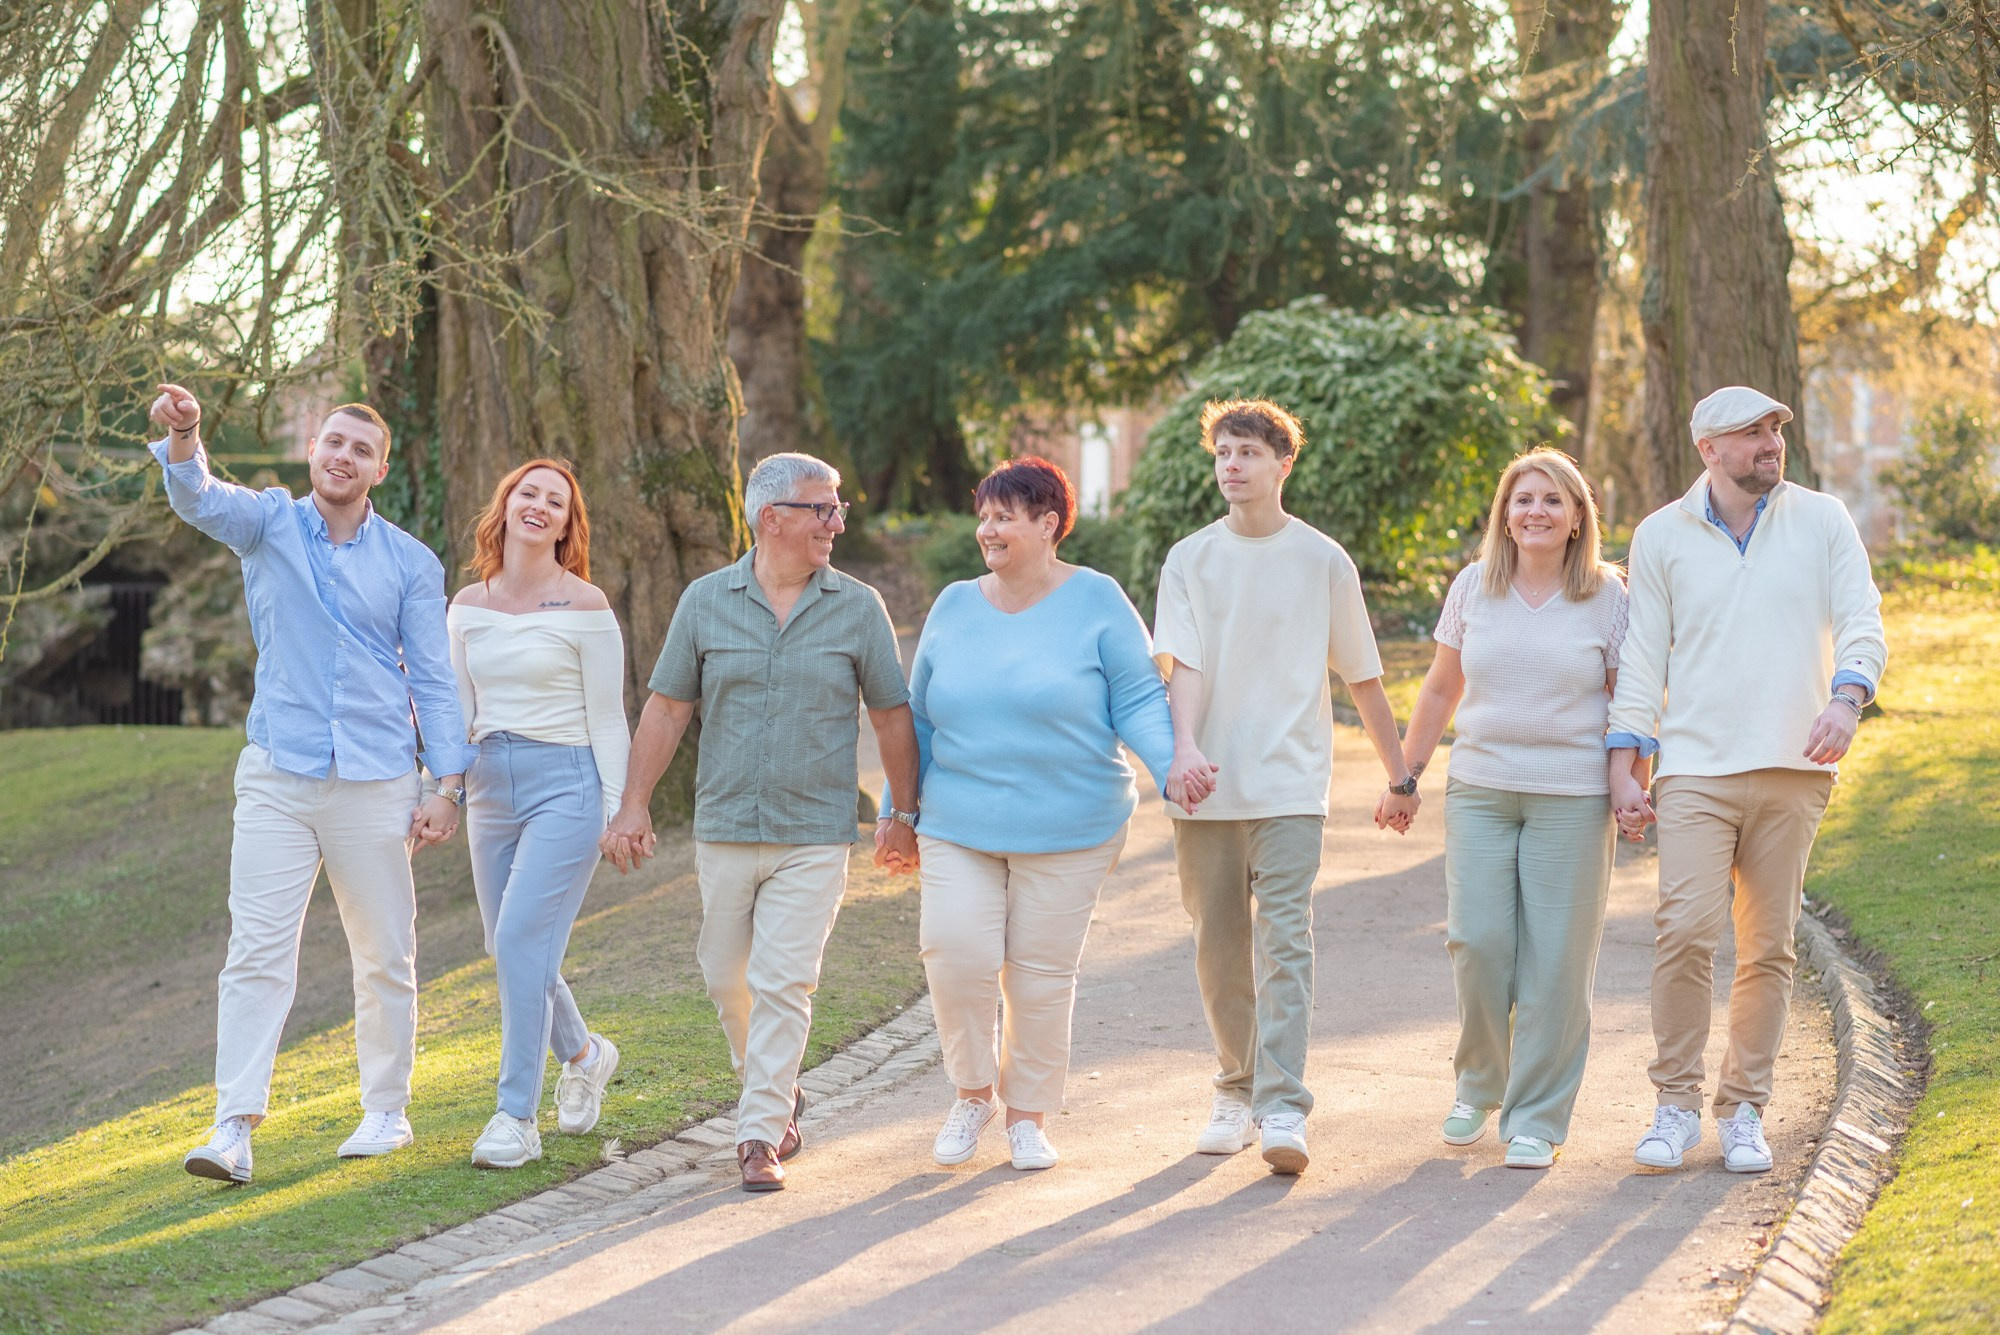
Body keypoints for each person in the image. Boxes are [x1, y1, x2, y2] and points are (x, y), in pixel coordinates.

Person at [147, 383, 475, 1185]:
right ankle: (232, 1128)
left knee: (384, 951)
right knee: (257, 950)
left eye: (360, 449)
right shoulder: (268, 522)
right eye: (333, 442)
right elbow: (200, 499)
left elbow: (434, 679)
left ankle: (386, 1110)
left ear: (380, 469)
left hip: (377, 781)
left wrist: (448, 785)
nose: (342, 456)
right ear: (313, 451)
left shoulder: (411, 562)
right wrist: (187, 437)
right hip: (278, 775)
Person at [601, 452, 921, 1193]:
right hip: (724, 827)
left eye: (839, 509)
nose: (838, 522)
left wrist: (901, 813)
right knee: (725, 976)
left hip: (814, 830)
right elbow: (668, 706)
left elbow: (892, 713)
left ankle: (758, 1132)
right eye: (824, 509)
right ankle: (778, 1088)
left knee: (784, 981)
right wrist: (634, 801)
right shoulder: (706, 601)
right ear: (771, 517)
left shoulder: (858, 606)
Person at [1610, 385, 1887, 1174]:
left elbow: (1862, 618)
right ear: (1709, 450)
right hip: (1695, 766)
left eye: (1775, 428)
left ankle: (1743, 1109)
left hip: (1797, 768)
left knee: (1768, 947)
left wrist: (1847, 695)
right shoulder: (1660, 535)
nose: (1771, 441)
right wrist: (1627, 766)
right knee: (1686, 930)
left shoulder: (1823, 519)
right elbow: (1642, 656)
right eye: (1752, 432)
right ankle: (1674, 1104)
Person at [883, 457, 1178, 1173]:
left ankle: (1028, 1115)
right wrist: (899, 808)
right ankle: (974, 1093)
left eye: (1003, 516)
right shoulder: (954, 604)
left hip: (1071, 823)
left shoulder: (1099, 600)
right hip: (958, 817)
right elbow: (917, 717)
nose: (987, 529)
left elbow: (1139, 698)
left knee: (1041, 972)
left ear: (1048, 524)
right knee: (955, 953)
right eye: (984, 515)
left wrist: (1174, 770)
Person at [1153, 398, 1419, 1176]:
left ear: (1282, 464)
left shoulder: (1322, 560)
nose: (1231, 466)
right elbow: (1186, 666)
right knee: (1219, 944)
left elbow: (1364, 677)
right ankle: (1235, 1089)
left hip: (1292, 783)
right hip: (1206, 785)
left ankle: (1281, 1105)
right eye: (1222, 453)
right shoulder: (1190, 558)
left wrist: (1399, 775)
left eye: (1246, 453)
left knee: (1286, 940)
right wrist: (1186, 747)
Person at [1399, 447, 1636, 1170]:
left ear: (1576, 518)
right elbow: (1441, 689)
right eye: (1522, 497)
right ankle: (1480, 1082)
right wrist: (1404, 777)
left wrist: (1630, 781)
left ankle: (1536, 1115)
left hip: (1573, 794)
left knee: (1557, 962)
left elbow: (1630, 699)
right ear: (1505, 512)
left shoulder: (1608, 596)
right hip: (1481, 787)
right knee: (1478, 941)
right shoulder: (1475, 586)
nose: (1535, 510)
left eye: (1552, 500)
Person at [449, 460, 630, 1168]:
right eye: (529, 492)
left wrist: (618, 812)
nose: (541, 505)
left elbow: (609, 721)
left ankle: (514, 1115)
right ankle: (584, 1053)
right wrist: (443, 788)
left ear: (565, 524)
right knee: (512, 948)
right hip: (490, 785)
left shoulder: (585, 605)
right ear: (507, 505)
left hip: (568, 784)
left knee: (522, 940)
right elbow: (457, 711)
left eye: (556, 501)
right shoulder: (466, 603)